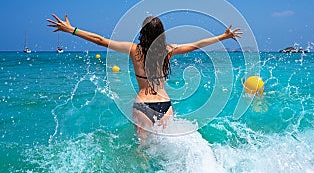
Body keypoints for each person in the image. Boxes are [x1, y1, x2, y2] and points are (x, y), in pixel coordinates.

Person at [47, 14, 242, 139]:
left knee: (142, 150)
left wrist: (71, 30)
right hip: (165, 105)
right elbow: (197, 44)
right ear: (162, 33)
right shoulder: (168, 50)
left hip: (143, 105)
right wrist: (223, 37)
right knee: (165, 147)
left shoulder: (134, 50)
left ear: (142, 32)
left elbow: (100, 40)